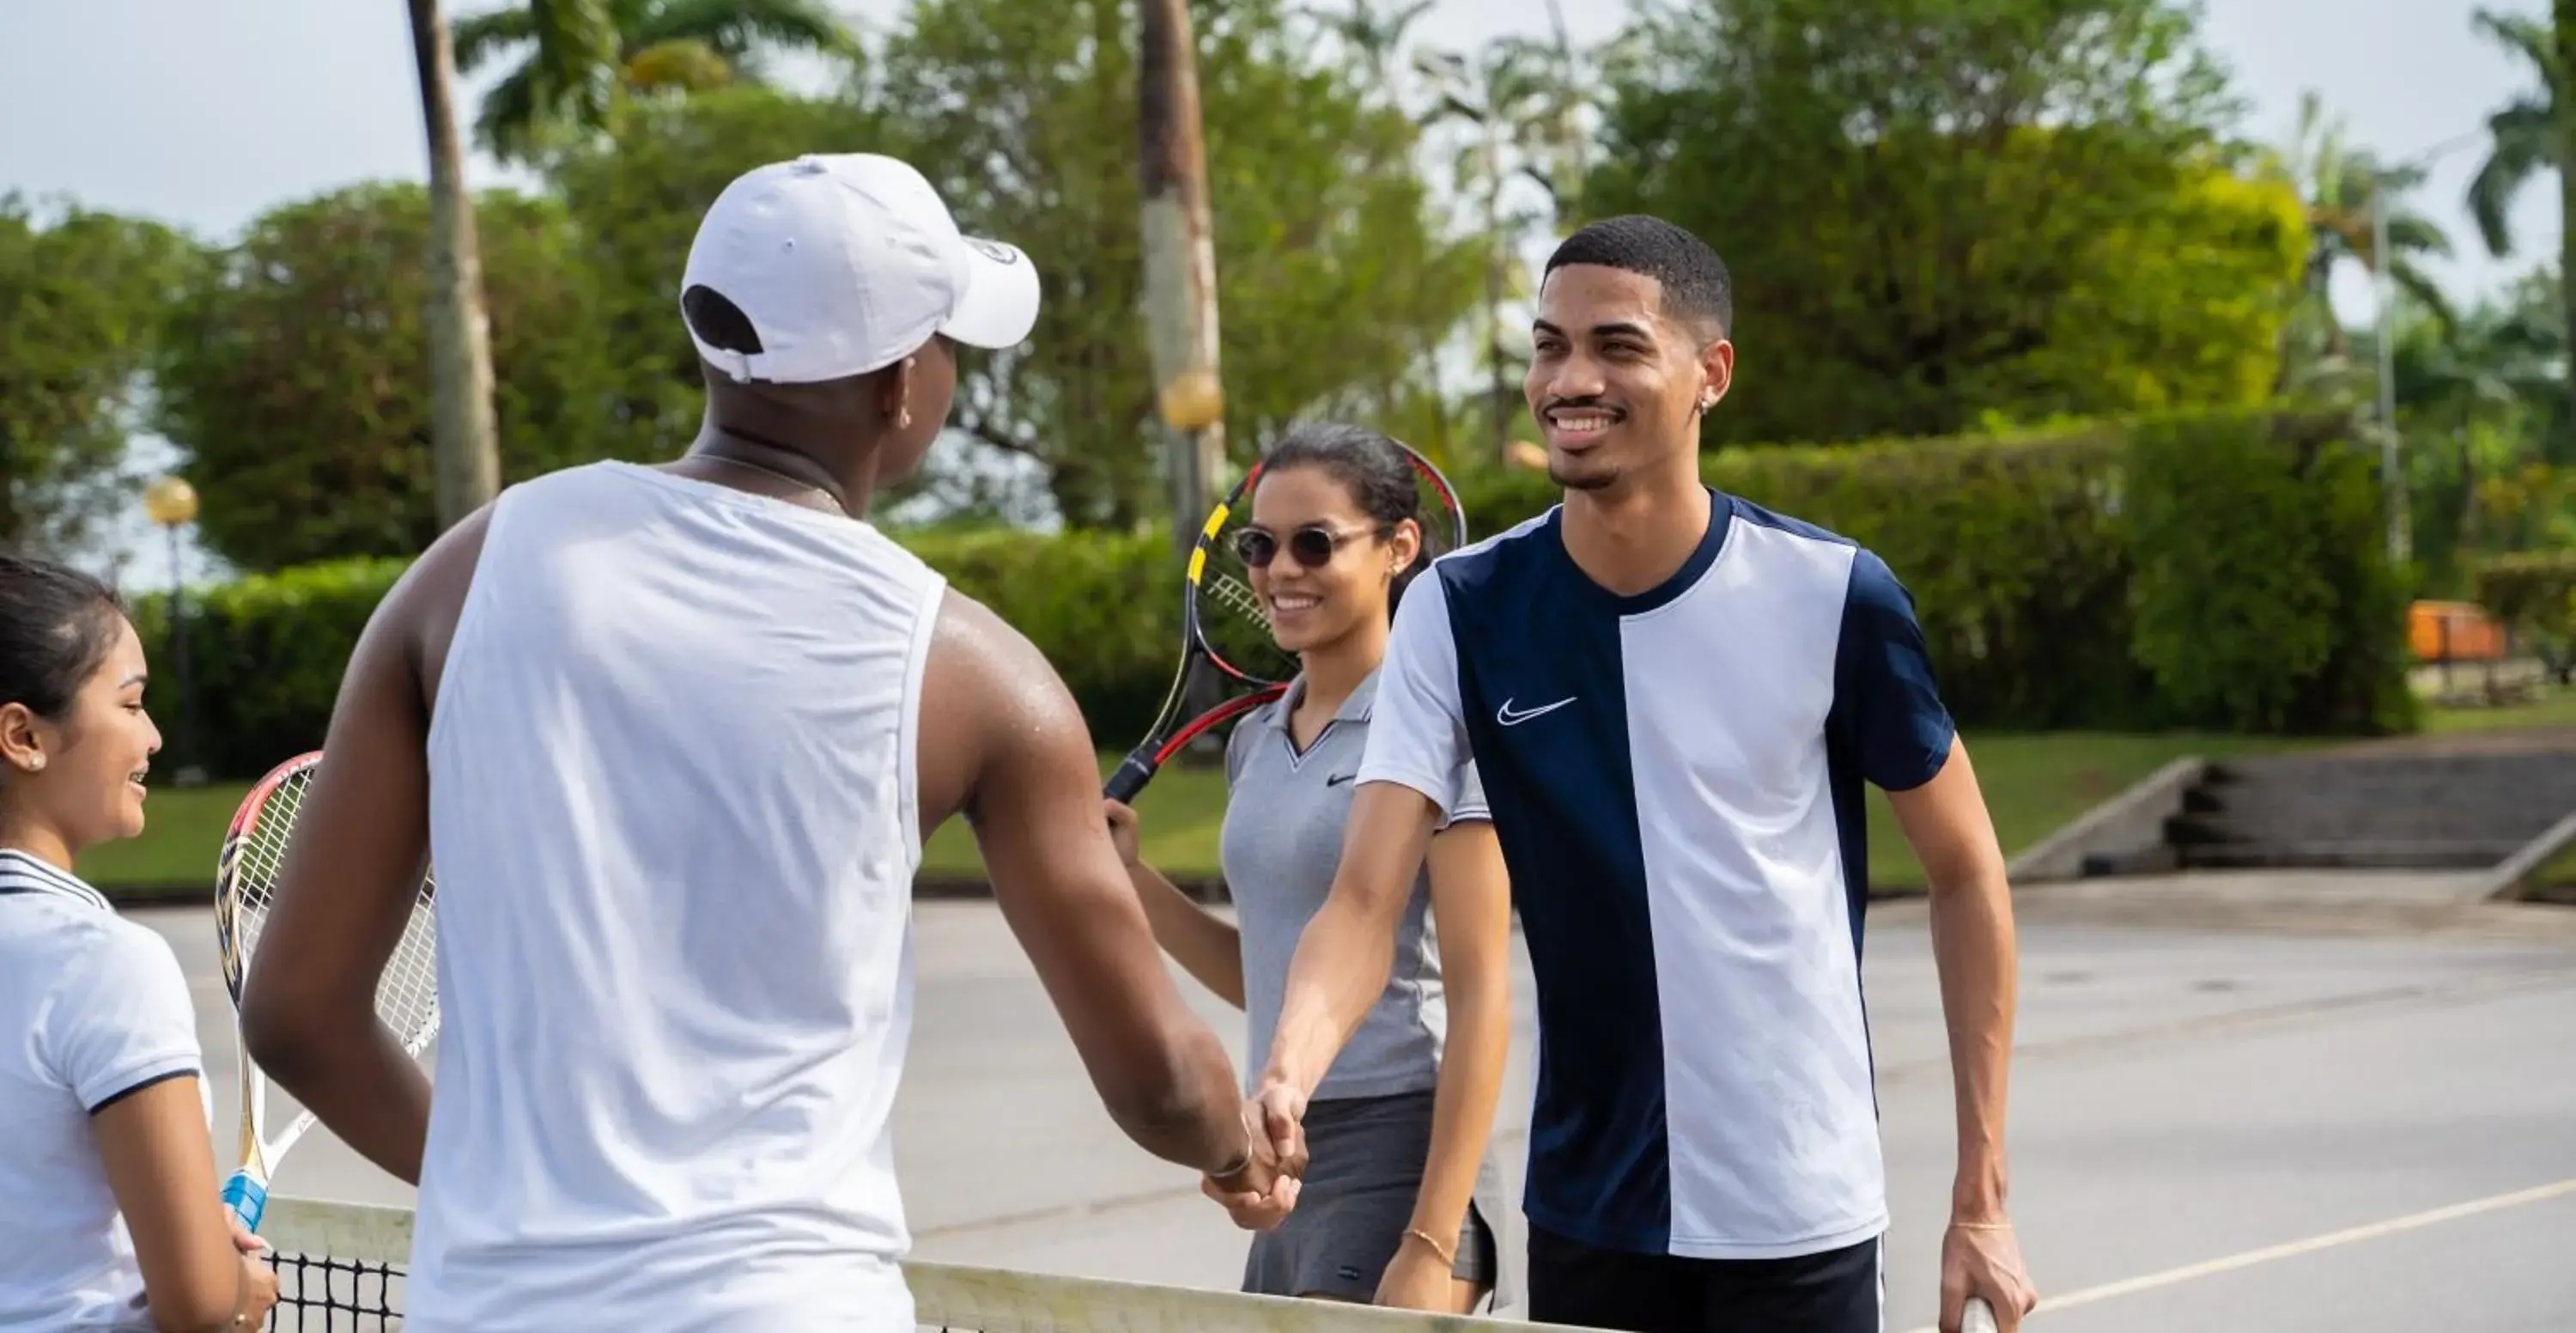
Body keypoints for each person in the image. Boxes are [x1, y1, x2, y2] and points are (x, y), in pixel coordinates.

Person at [234, 153, 1287, 1332]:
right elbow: (1156, 1078)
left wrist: (511, 1201)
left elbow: (296, 1016)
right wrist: (1236, 1144)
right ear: (901, 386)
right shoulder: (979, 675)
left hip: (491, 1304)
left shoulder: (473, 567)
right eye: (947, 347)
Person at [1249, 215, 2040, 1333]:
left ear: (1710, 373)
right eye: (1547, 346)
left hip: (1800, 1209)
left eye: (1617, 346)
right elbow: (1366, 901)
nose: (1572, 379)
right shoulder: (1461, 611)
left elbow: (1967, 874)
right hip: (1590, 1215)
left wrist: (1982, 1198)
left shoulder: (1834, 595)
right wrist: (1287, 1069)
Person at [1108, 423, 1516, 1314]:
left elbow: (1485, 997)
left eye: (1315, 542)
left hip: (1402, 1145)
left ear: (1399, 548)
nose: (1280, 570)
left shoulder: (1442, 736)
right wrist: (1133, 880)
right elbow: (1278, 974)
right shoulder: (1256, 738)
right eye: (1260, 545)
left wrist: (1433, 1234)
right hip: (1282, 1147)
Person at [0, 555, 280, 1333]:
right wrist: (237, 1289)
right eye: (131, 704)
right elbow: (195, 1303)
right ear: (23, 735)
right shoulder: (102, 963)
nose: (153, 737)